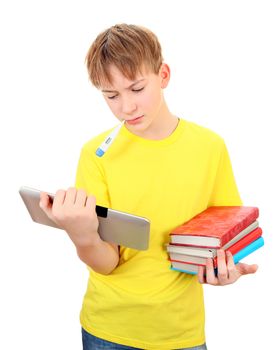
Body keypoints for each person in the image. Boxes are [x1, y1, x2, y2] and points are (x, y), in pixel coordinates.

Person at [39, 23, 258, 350]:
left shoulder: (209, 147)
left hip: (181, 331)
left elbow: (226, 235)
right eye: (111, 96)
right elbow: (107, 262)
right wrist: (82, 235)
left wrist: (229, 268)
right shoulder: (97, 154)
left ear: (164, 75)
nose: (126, 107)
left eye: (137, 89)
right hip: (108, 330)